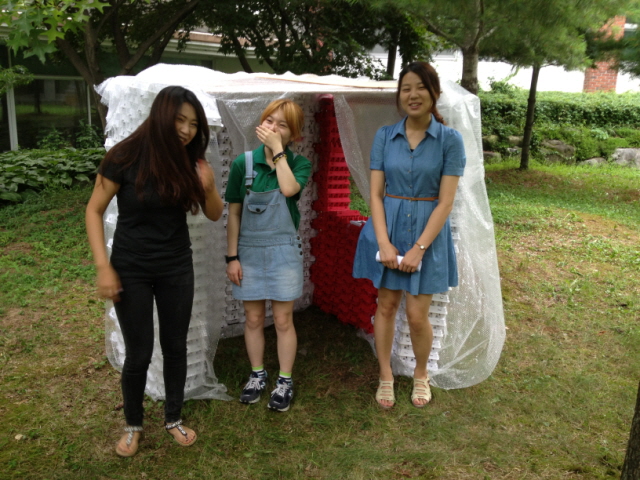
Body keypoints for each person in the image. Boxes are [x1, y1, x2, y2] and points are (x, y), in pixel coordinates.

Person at [85, 86, 223, 456]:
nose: (187, 130)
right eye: (180, 120)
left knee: (176, 346)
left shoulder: (189, 162)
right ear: (161, 115)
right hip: (130, 267)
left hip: (176, 266)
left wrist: (209, 186)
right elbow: (94, 210)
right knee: (140, 352)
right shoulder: (124, 156)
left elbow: (214, 213)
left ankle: (173, 418)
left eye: (193, 124)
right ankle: (133, 426)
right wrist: (103, 267)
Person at [353, 62, 466, 409]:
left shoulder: (449, 140)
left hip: (427, 234)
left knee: (417, 316)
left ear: (434, 93)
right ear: (399, 95)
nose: (412, 95)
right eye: (406, 88)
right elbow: (375, 195)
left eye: (420, 87)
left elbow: (446, 202)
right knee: (385, 306)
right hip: (388, 228)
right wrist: (384, 243)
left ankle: (421, 373)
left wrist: (419, 248)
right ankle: (385, 374)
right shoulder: (385, 136)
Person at [225, 99, 311, 412]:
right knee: (253, 318)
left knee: (284, 319)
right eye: (269, 121)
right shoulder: (242, 164)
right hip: (248, 251)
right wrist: (232, 257)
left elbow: (289, 189)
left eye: (283, 125)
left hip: (283, 251)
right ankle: (257, 375)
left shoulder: (299, 164)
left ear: (294, 135)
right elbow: (234, 213)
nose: (273, 128)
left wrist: (277, 152)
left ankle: (285, 380)